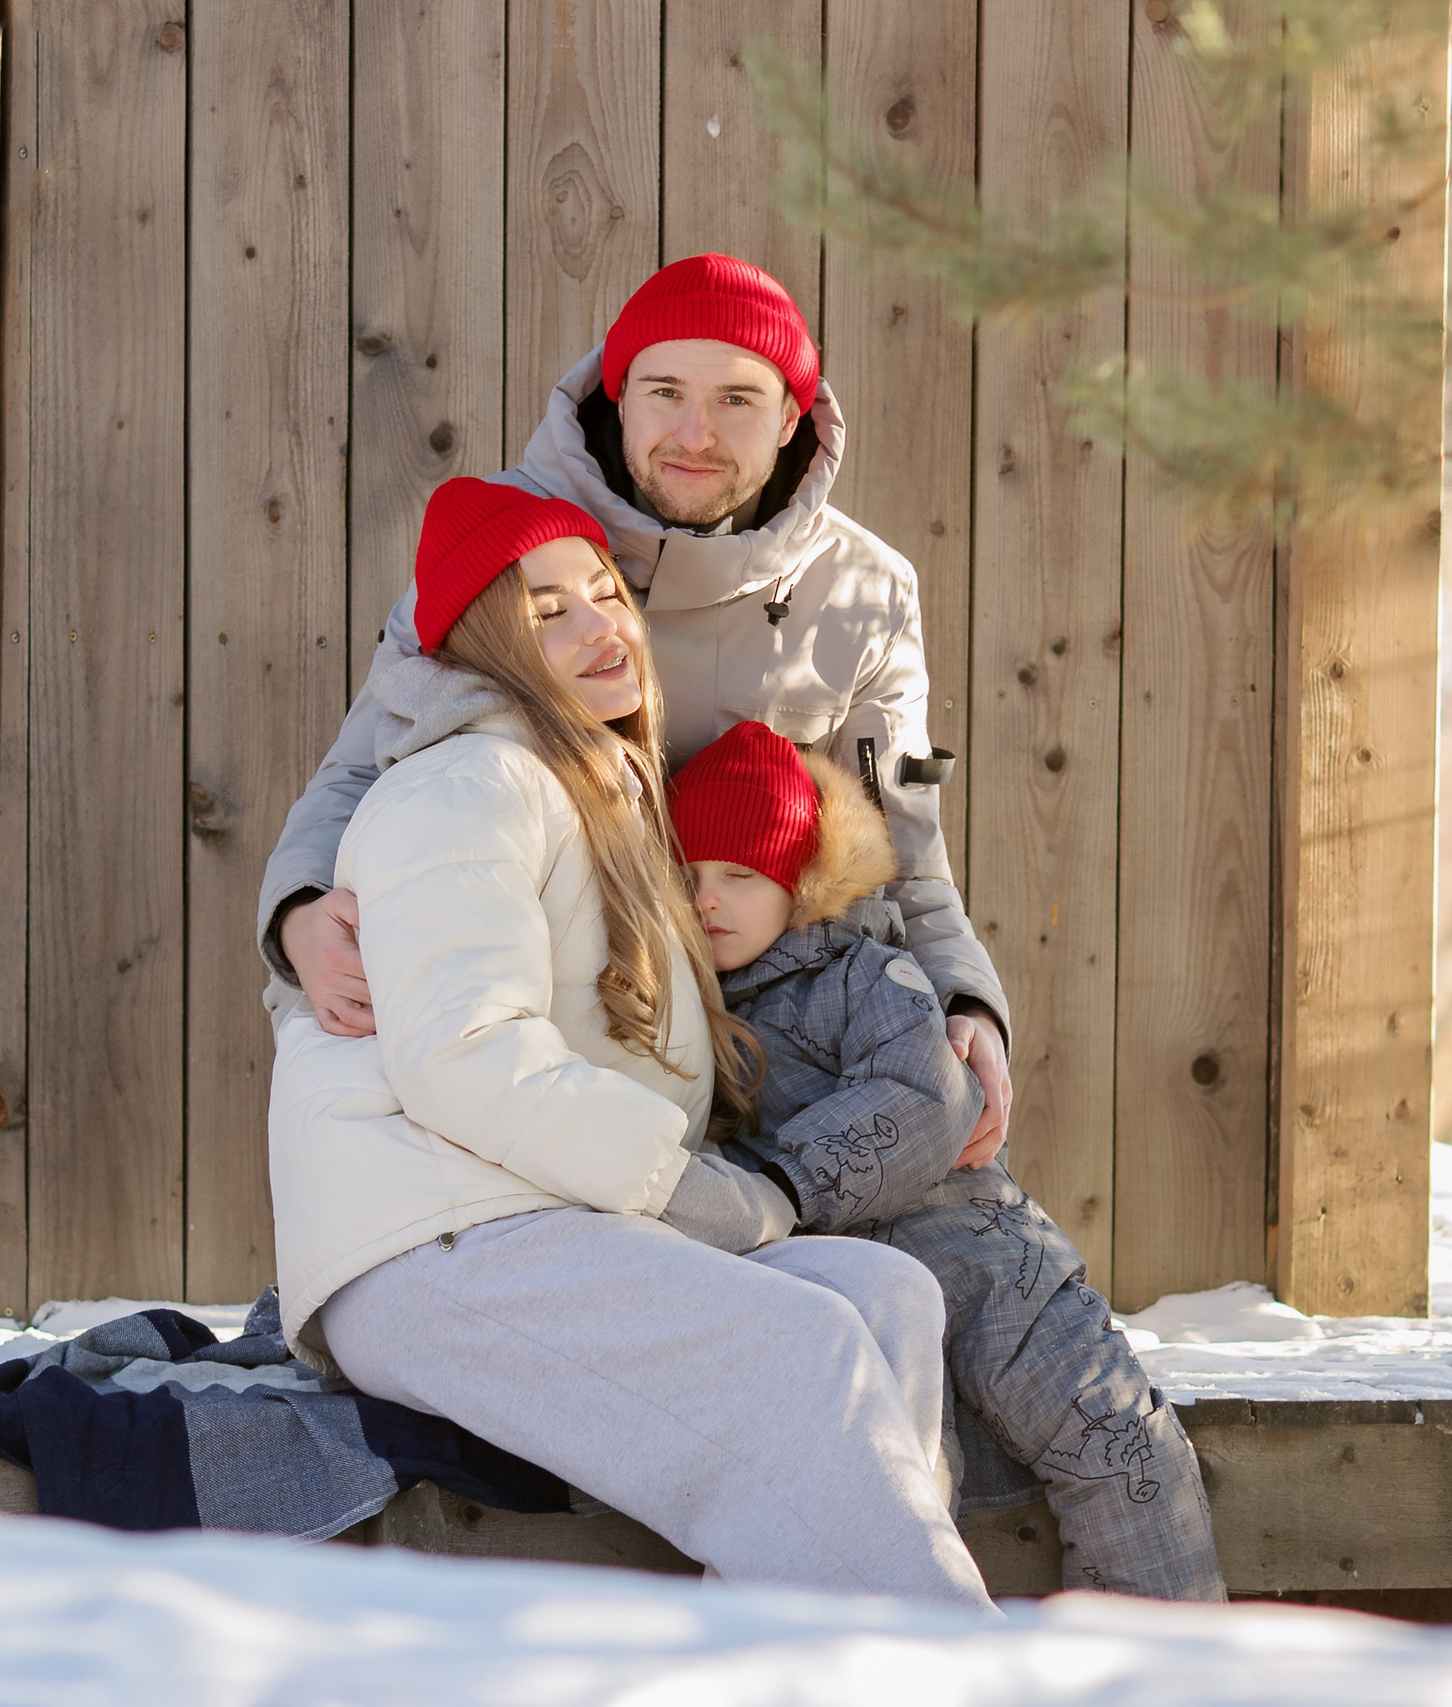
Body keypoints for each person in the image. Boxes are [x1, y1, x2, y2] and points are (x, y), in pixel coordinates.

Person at [265, 477, 994, 1607]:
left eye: (606, 593)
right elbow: (461, 1053)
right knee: (799, 1348)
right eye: (547, 611)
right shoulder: (468, 784)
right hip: (428, 1243)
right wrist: (677, 1185)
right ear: (488, 645)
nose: (600, 626)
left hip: (538, 1216)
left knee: (881, 1297)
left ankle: (793, 1672)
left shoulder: (598, 787)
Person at [259, 253, 1017, 1166]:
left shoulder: (865, 590)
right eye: (665, 391)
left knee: (948, 1203)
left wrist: (969, 1004)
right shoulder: (506, 543)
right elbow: (368, 760)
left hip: (770, 1005)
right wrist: (299, 910)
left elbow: (904, 848)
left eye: (737, 398)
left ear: (790, 418)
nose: (695, 433)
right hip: (547, 972)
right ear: (619, 397)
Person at [669, 720, 1228, 1600]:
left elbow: (928, 1093)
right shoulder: (686, 1013)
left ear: (803, 880)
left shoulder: (868, 975)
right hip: (866, 1297)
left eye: (740, 875)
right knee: (904, 1494)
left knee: (1125, 1454)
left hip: (993, 1267)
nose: (709, 900)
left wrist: (778, 1184)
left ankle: (1158, 1672)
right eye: (690, 877)